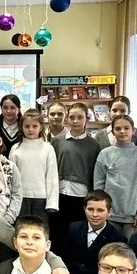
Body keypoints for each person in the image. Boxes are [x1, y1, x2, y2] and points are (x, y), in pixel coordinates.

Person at [49, 102, 101, 255]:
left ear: (87, 119)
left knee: (77, 233)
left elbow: (95, 172)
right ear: (67, 119)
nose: (76, 121)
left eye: (80, 117)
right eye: (72, 117)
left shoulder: (94, 145)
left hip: (81, 196)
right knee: (57, 233)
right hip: (59, 195)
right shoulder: (57, 141)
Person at [93, 115, 137, 237]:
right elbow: (98, 186)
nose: (122, 131)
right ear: (112, 132)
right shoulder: (105, 154)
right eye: (118, 128)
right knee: (110, 247)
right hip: (109, 215)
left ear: (133, 131)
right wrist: (101, 210)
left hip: (133, 218)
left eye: (126, 128)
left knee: (131, 247)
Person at [63, 190, 127, 274]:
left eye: (100, 210)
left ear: (109, 212)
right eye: (90, 209)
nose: (94, 214)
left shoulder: (117, 237)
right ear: (84, 209)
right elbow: (66, 257)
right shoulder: (74, 228)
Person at [9, 111, 59, 221]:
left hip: (41, 199)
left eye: (34, 126)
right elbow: (10, 177)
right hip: (20, 197)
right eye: (27, 126)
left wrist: (52, 202)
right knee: (21, 227)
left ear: (41, 127)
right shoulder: (16, 148)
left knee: (40, 228)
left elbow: (52, 176)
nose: (30, 129)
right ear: (21, 127)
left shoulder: (48, 148)